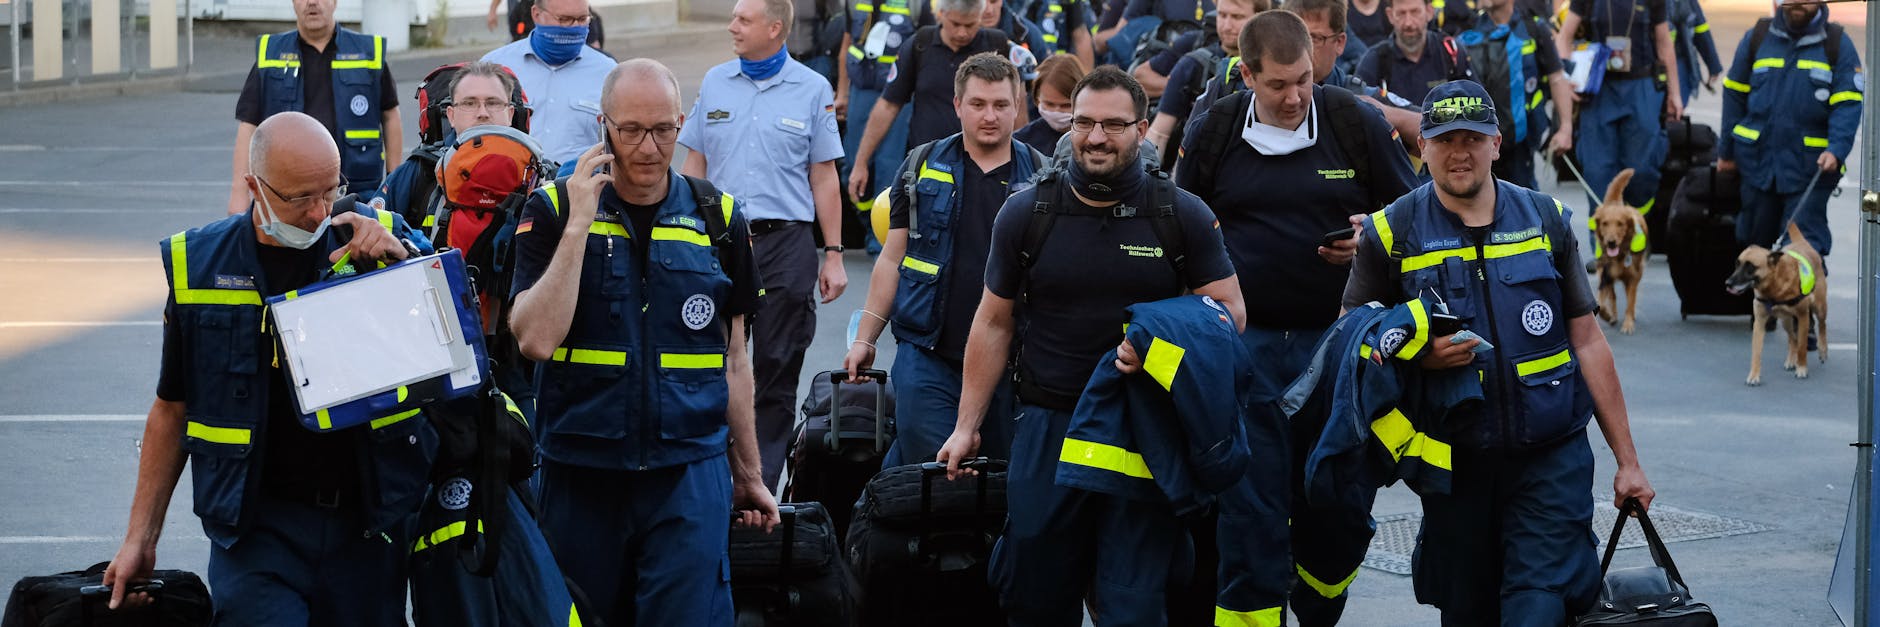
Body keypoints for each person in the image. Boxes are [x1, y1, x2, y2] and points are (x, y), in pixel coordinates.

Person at [934, 65, 1246, 626]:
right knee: (1034, 594)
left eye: (1113, 125)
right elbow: (994, 322)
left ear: (1142, 129)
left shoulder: (1181, 214)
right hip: (1048, 426)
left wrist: (1158, 338)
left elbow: (1230, 313)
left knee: (1132, 603)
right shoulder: (1027, 213)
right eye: (1084, 123)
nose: (1096, 137)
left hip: (1141, 428)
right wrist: (966, 426)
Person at [1342, 79, 1655, 624]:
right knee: (1469, 611)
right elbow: (1351, 341)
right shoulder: (1391, 232)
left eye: (1472, 138)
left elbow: (1587, 340)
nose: (1459, 153)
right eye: (1445, 140)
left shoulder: (1545, 219)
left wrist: (1628, 462)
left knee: (1539, 605)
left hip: (1550, 460)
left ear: (1496, 143)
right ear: (1422, 146)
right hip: (1452, 466)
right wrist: (1419, 355)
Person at [105, 112, 432, 624]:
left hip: (368, 532)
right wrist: (140, 540)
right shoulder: (202, 264)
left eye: (331, 190)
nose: (319, 211)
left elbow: (453, 355)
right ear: (255, 186)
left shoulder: (377, 238)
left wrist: (402, 266)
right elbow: (172, 410)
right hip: (257, 534)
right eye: (301, 198)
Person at [508, 59, 781, 626]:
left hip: (687, 474)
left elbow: (735, 362)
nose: (649, 148)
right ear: (604, 127)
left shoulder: (718, 217)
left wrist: (750, 474)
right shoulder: (554, 211)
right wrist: (579, 227)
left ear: (682, 123)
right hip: (581, 473)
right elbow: (534, 339)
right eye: (631, 130)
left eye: (663, 130)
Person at [1177, 11, 1416, 623]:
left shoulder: (1354, 122)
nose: (1295, 96)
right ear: (1247, 75)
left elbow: (1414, 219)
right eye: (1278, 84)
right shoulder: (1215, 129)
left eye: (1304, 79)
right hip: (1245, 349)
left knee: (1336, 501)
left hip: (1337, 349)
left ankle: (1320, 600)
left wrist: (1370, 239)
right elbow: (1180, 231)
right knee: (1250, 511)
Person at [842, 53, 1048, 468]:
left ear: (1017, 105)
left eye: (1001, 105)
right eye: (977, 104)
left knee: (1000, 477)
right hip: (928, 356)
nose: (989, 116)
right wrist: (866, 339)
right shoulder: (920, 166)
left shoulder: (1044, 179)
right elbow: (892, 259)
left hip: (1011, 363)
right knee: (932, 470)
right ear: (957, 105)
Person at [678, 0, 848, 490]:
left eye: (743, 19)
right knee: (709, 360)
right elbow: (695, 164)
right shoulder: (715, 82)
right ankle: (712, 477)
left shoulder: (812, 88)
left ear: (775, 28)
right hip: (719, 241)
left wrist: (833, 255)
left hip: (785, 243)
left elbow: (823, 176)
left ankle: (759, 486)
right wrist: (683, 231)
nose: (732, 26)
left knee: (776, 367)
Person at [229, 0, 401, 214]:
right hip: (288, 194)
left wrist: (393, 185)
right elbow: (249, 124)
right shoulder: (271, 54)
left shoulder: (368, 52)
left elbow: (390, 116)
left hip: (358, 193)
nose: (312, 2)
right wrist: (239, 191)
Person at [1721, 0, 1862, 262]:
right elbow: (1734, 95)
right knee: (1754, 253)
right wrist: (1726, 153)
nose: (1796, 2)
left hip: (1810, 171)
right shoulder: (1757, 37)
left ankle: (1806, 291)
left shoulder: (1837, 44)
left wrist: (1836, 150)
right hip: (1758, 168)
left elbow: (1847, 103)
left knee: (1801, 252)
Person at [846, 0, 1012, 205]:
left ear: (980, 18)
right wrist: (861, 162)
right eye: (955, 24)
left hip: (984, 170)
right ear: (940, 14)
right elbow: (888, 105)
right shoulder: (920, 45)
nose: (962, 33)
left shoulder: (997, 45)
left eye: (970, 25)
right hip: (928, 171)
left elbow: (1015, 106)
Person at [1556, 0, 1679, 217]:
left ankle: (1637, 227)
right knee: (1597, 171)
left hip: (1641, 88)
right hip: (1599, 90)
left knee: (1641, 170)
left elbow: (1664, 43)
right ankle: (1602, 235)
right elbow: (1564, 37)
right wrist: (1566, 77)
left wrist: (1674, 93)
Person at [372, 62, 524, 227]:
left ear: (510, 114)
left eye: (493, 103)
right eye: (469, 103)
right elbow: (370, 230)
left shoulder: (534, 174)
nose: (482, 113)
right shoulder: (418, 172)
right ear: (451, 116)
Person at [481, 0, 617, 169]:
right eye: (564, 19)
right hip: (510, 180)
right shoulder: (495, 66)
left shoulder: (608, 72)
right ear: (536, 14)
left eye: (582, 19)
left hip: (583, 183)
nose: (575, 27)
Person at [1457, 0, 1574, 188]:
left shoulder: (1533, 28)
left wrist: (1565, 129)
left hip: (1521, 142)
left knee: (1521, 199)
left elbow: (1557, 78)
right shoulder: (1468, 28)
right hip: (1477, 137)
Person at [1143, 0, 1260, 165]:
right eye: (1222, 15)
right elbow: (1159, 134)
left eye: (1237, 17)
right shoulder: (1193, 63)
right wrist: (1152, 176)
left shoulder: (1272, 66)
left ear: (1260, 18)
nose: (1227, 26)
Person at [1356, 0, 1473, 107]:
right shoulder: (1374, 61)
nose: (1408, 23)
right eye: (1401, 14)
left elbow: (1477, 103)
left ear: (1429, 11)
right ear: (1390, 15)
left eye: (1415, 12)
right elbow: (1359, 111)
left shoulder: (1451, 52)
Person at [1015, 54, 1086, 155]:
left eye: (1066, 105)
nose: (1057, 112)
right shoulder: (1021, 143)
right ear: (1037, 99)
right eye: (1049, 104)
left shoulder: (1096, 138)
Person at [1667, 0, 1722, 107]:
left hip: (1677, 60)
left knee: (1675, 109)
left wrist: (1713, 64)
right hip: (1652, 65)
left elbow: (1700, 28)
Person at [1027, 0, 1098, 69]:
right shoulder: (1048, 5)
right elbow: (1046, 54)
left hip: (1068, 65)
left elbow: (1086, 38)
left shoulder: (1083, 4)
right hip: (1055, 66)